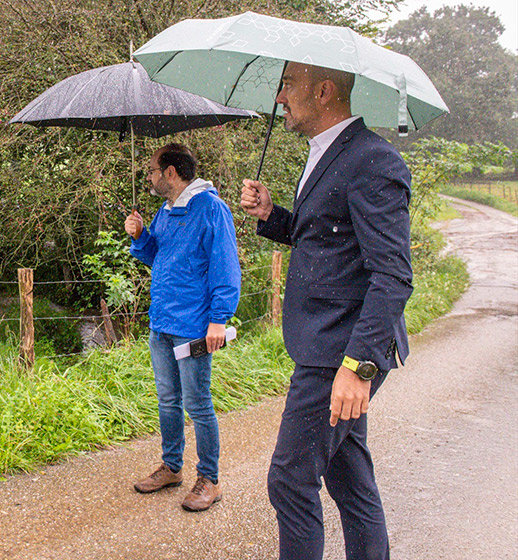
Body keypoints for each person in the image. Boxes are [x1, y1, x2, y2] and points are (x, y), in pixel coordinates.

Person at [240, 62, 413, 560]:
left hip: (339, 350)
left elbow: (393, 275)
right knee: (350, 480)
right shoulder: (329, 154)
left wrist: (358, 367)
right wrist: (272, 215)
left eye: (287, 85)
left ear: (323, 92)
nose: (279, 98)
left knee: (289, 481)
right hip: (324, 342)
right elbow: (326, 239)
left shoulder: (373, 160)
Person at [125, 142, 241, 512]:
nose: (150, 177)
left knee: (198, 404)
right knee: (167, 401)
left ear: (171, 173)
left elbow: (226, 266)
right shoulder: (165, 212)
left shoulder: (212, 209)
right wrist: (140, 235)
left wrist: (219, 319)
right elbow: (156, 257)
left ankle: (210, 479)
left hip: (193, 325)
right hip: (161, 322)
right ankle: (172, 467)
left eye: (153, 171)